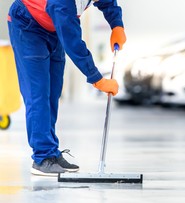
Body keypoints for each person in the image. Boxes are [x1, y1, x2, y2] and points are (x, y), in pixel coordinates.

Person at [7, 0, 126, 176]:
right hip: (27, 25)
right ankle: (42, 158)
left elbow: (108, 2)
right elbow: (73, 43)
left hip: (53, 26)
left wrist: (117, 25)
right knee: (38, 94)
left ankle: (51, 152)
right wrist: (97, 79)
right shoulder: (61, 2)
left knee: (53, 92)